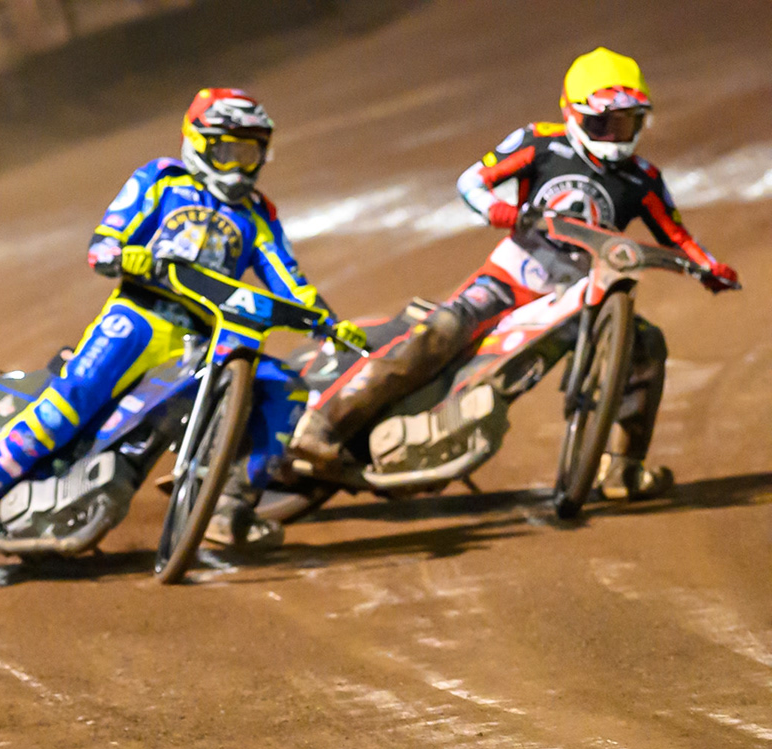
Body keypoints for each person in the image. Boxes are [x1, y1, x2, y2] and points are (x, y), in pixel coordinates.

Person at [289, 48, 740, 498]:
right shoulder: (539, 142)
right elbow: (472, 182)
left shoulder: (644, 177)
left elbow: (676, 235)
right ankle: (322, 425)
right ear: (573, 113)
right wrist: (505, 213)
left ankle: (622, 468)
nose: (616, 136)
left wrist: (708, 268)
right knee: (439, 332)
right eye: (604, 123)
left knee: (645, 346)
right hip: (511, 278)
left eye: (628, 122)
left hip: (584, 293)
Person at [0, 88, 361, 550]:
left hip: (207, 336)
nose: (238, 165)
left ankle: (230, 506)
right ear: (200, 142)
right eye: (228, 150)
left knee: (284, 387)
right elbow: (106, 239)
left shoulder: (258, 214)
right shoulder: (161, 180)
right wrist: (123, 256)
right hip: (140, 314)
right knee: (76, 396)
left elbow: (287, 277)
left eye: (249, 152)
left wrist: (328, 322)